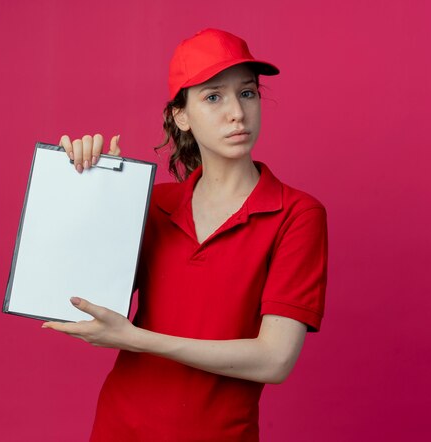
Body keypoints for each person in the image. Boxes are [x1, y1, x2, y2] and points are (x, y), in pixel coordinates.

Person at [43, 28, 328, 441]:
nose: (237, 112)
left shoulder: (297, 215)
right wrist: (92, 190)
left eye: (247, 93)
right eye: (214, 96)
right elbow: (73, 295)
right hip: (120, 427)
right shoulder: (153, 205)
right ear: (182, 115)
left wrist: (139, 340)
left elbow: (274, 359)